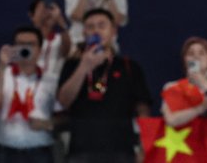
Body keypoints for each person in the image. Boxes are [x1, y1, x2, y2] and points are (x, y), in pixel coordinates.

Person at [56, 9, 154, 163]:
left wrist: (144, 146)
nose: (96, 30)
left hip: (122, 151)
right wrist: (84, 67)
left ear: (113, 31)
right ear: (84, 33)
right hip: (81, 151)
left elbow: (144, 110)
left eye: (102, 26)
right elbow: (63, 101)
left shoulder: (129, 66)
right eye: (90, 27)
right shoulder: (72, 65)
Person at [0, 26, 59, 162]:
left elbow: (64, 118)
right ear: (13, 48)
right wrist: (2, 66)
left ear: (40, 50)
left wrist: (48, 124)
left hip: (39, 152)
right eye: (20, 44)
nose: (25, 48)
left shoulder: (52, 80)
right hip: (5, 152)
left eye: (31, 44)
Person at [159, 37, 207, 128]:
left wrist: (203, 85)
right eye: (191, 53)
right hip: (182, 140)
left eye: (202, 53)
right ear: (184, 61)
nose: (196, 57)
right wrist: (199, 109)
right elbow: (171, 120)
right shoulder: (172, 87)